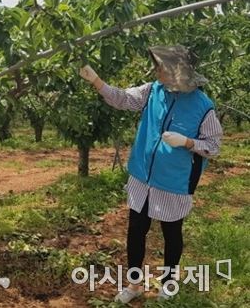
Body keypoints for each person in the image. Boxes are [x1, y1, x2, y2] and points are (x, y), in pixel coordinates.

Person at [79, 45, 222, 303]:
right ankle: (134, 285)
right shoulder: (153, 90)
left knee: (171, 232)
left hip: (174, 181)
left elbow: (213, 146)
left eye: (162, 67)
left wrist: (188, 142)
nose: (156, 71)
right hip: (142, 177)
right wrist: (97, 81)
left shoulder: (203, 106)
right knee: (136, 230)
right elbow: (123, 98)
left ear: (179, 71)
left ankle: (168, 283)